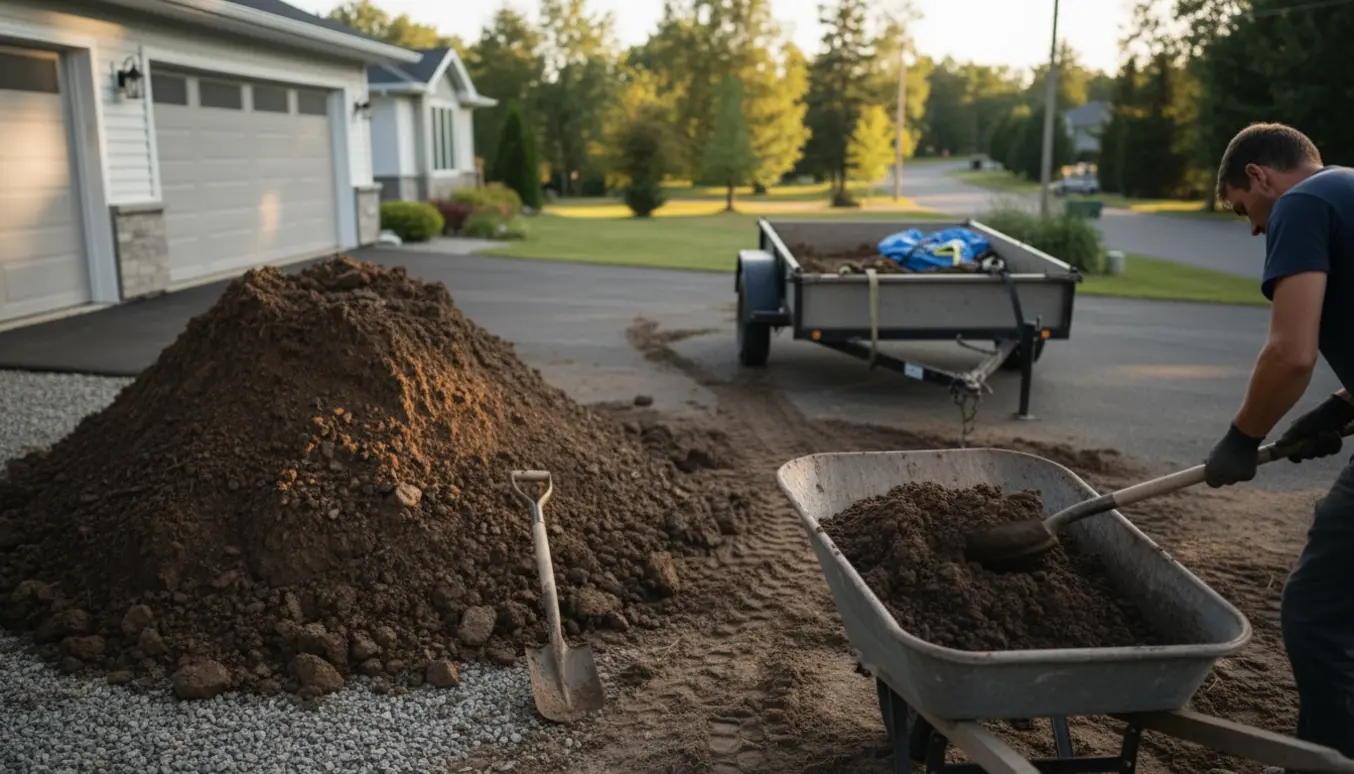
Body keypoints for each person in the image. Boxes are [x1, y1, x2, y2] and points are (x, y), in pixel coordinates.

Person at [1203, 122, 1354, 763]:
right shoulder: (1348, 189)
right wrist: (1341, 406)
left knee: (1318, 613)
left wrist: (1242, 437)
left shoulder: (1302, 203)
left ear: (1259, 176)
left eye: (1244, 210)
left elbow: (1291, 353)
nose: (1253, 229)